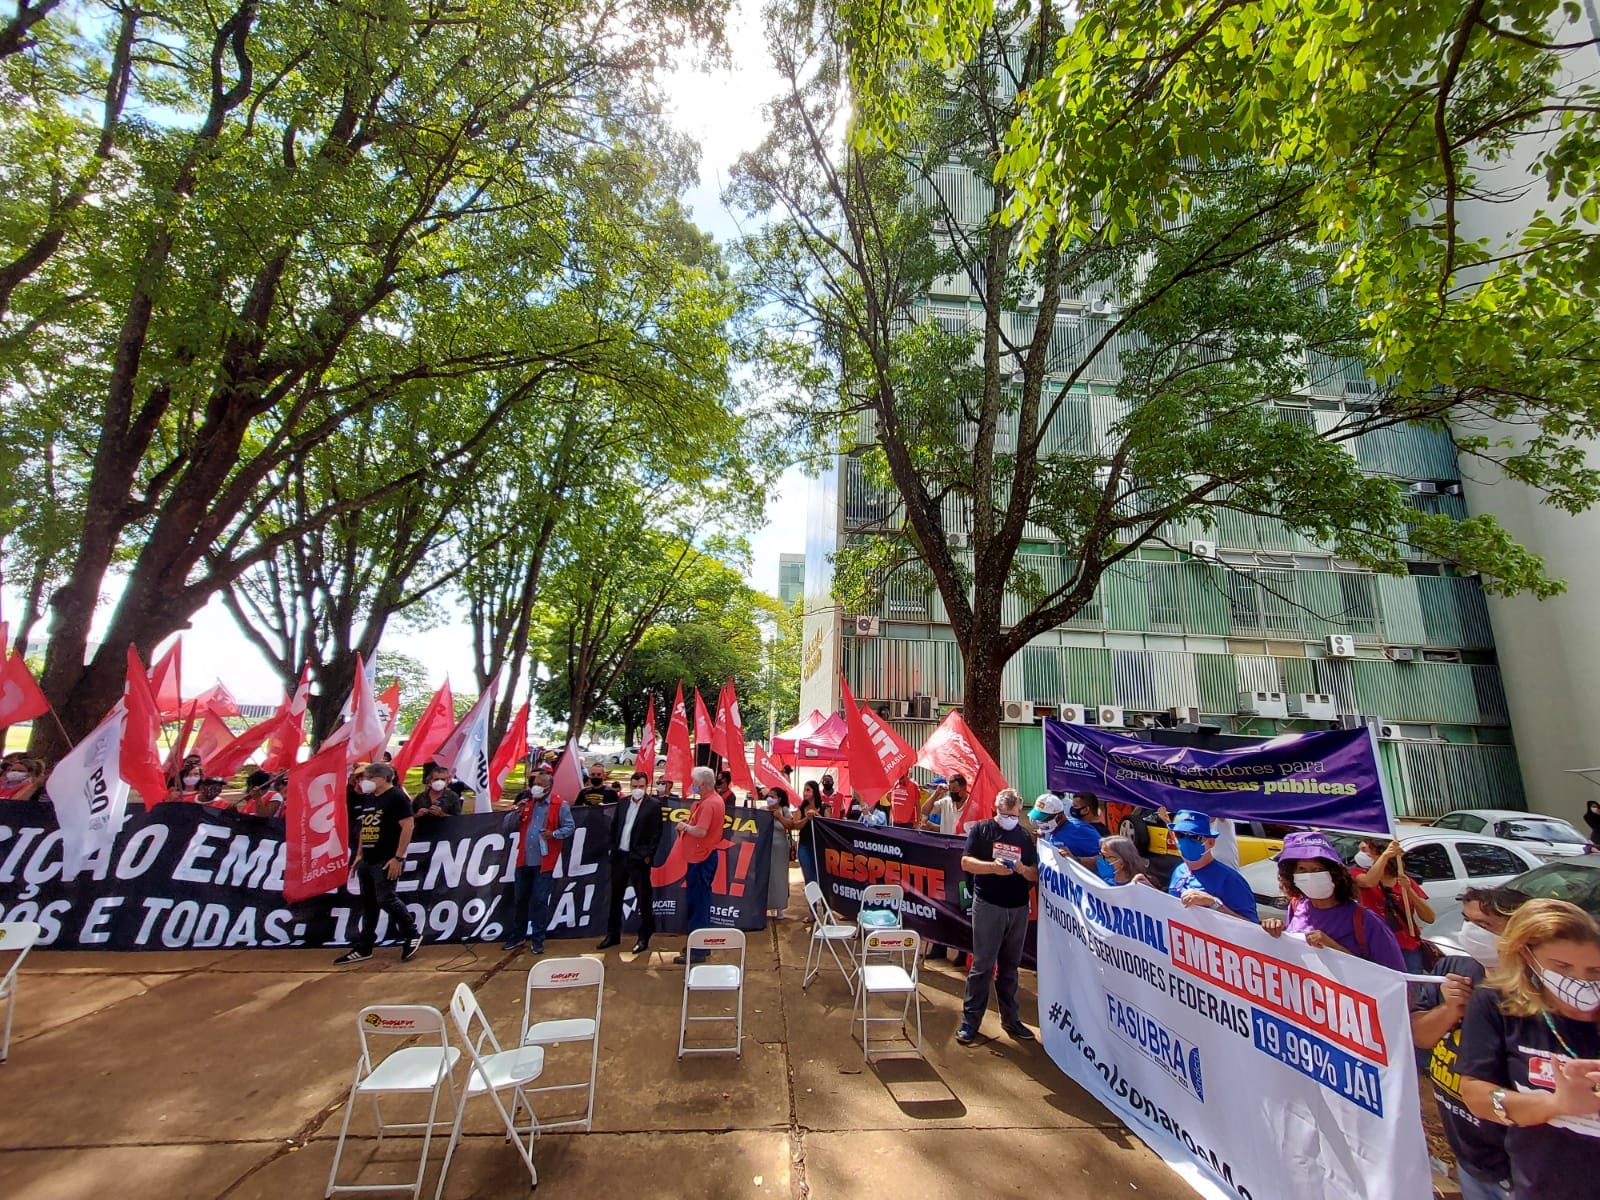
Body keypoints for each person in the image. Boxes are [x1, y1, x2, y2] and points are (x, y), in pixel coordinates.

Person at [1458, 899, 1600, 1200]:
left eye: (1594, 970)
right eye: (1562, 967)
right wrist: (1556, 1105)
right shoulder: (1499, 1004)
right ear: (1527, 956)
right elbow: (1475, 1094)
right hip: (1542, 1187)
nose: (1580, 981)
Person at [1411, 886, 1533, 1200]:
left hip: (1521, 1168)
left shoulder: (1535, 993)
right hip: (1469, 1158)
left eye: (1484, 925)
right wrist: (1450, 1009)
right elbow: (1420, 1036)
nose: (1470, 932)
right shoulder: (1452, 971)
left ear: (1520, 931)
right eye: (1467, 921)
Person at [957, 788, 1039, 1046]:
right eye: (1005, 814)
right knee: (982, 966)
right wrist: (992, 867)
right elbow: (966, 863)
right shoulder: (982, 830)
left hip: (1018, 908)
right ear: (996, 810)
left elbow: (1035, 873)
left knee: (1010, 967)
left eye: (1014, 815)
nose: (1010, 819)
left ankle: (1011, 1019)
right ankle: (970, 1021)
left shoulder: (1024, 836)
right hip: (988, 906)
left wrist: (1022, 869)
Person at [1261, 831, 1403, 968]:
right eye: (1302, 869)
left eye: (1317, 869)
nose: (1309, 876)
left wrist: (1333, 948)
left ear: (1334, 875)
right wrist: (1276, 931)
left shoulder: (1366, 920)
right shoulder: (1297, 905)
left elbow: (1393, 977)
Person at [335, 762, 423, 965]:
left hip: (386, 857)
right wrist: (359, 855)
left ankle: (411, 933)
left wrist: (398, 857)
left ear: (382, 778)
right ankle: (364, 946)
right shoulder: (370, 798)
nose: (363, 782)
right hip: (368, 858)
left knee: (386, 898)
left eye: (367, 778)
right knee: (369, 904)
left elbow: (408, 826)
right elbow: (365, 827)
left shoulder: (396, 797)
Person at [503, 769, 574, 954]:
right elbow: (507, 825)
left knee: (539, 900)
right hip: (524, 860)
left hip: (544, 863)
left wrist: (554, 834)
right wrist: (516, 812)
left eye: (540, 785)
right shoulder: (527, 803)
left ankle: (537, 939)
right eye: (534, 784)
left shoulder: (560, 805)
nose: (536, 787)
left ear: (549, 787)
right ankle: (517, 936)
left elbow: (569, 827)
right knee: (520, 899)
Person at [598, 770, 663, 953]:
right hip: (620, 856)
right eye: (634, 786)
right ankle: (613, 934)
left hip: (639, 859)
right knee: (615, 897)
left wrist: (648, 855)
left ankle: (644, 937)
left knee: (643, 898)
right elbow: (615, 826)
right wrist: (613, 848)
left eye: (640, 786)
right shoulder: (623, 803)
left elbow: (656, 833)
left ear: (646, 786)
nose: (637, 789)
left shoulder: (653, 805)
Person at [1164, 809, 1260, 922]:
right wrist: (1148, 887)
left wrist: (1213, 903)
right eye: (1180, 835)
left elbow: (1252, 927)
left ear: (1211, 842)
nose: (1186, 841)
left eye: (1195, 837)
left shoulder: (1229, 880)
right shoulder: (1179, 871)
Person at [1357, 836, 1436, 972]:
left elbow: (1429, 918)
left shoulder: (1405, 880)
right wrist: (1385, 856)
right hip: (1375, 946)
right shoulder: (1357, 874)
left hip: (1406, 947)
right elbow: (1369, 882)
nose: (1362, 855)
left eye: (1366, 850)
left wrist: (1409, 890)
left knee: (1410, 983)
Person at [673, 764, 726, 965]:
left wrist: (685, 827)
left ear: (702, 784)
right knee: (699, 902)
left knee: (698, 904)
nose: (693, 785)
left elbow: (701, 831)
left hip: (701, 858)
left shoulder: (709, 804)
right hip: (701, 856)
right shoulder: (711, 800)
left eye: (695, 782)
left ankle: (698, 950)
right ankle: (700, 944)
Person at [1030, 793, 1102, 871]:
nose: (1040, 822)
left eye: (1044, 819)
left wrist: (1075, 860)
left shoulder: (1081, 830)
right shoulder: (1052, 829)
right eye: (1038, 818)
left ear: (1059, 817)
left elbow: (1106, 861)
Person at [762, 785, 795, 920]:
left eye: (773, 796)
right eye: (768, 796)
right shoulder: (763, 810)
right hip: (765, 848)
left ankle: (780, 907)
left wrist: (779, 817)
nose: (769, 799)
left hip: (781, 848)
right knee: (766, 876)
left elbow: (791, 826)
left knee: (779, 876)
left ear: (779, 799)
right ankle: (764, 905)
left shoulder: (785, 810)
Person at [795, 780, 824, 893]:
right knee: (808, 874)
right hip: (804, 845)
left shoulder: (824, 807)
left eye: (808, 790)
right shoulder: (800, 808)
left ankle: (823, 901)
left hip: (820, 846)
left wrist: (816, 815)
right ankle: (813, 903)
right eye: (804, 790)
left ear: (814, 792)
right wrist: (806, 818)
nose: (805, 793)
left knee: (820, 874)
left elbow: (828, 824)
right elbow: (796, 825)